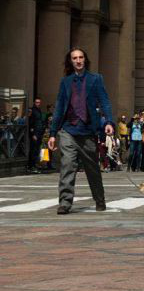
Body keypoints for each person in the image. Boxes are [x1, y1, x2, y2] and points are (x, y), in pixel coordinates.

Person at [48, 47, 114, 214]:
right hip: (68, 131)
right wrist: (53, 133)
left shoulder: (96, 79)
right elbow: (59, 107)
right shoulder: (66, 82)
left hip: (87, 132)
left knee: (92, 169)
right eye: (74, 58)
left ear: (85, 60)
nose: (78, 61)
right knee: (67, 165)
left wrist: (109, 122)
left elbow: (104, 101)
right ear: (71, 61)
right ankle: (65, 203)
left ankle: (100, 199)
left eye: (81, 57)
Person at [28, 97, 45, 173]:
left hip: (39, 133)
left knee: (37, 150)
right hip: (35, 134)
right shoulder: (32, 110)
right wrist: (33, 134)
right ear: (34, 103)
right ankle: (31, 166)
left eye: (39, 102)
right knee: (33, 150)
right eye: (37, 102)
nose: (38, 104)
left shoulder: (39, 111)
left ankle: (34, 165)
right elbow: (31, 123)